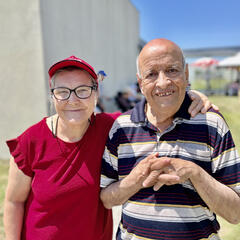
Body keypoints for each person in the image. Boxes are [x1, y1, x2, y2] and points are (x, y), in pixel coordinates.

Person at [4, 55, 216, 240]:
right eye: (63, 91)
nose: (73, 99)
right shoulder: (31, 141)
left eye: (83, 90)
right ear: (52, 96)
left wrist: (189, 95)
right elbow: (14, 202)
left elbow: (154, 108)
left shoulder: (111, 128)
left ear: (96, 94)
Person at [100, 39, 240, 240]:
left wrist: (195, 173)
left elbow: (235, 213)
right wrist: (135, 180)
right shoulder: (121, 128)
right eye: (151, 74)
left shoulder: (212, 124)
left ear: (186, 74)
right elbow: (105, 199)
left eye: (172, 70)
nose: (163, 82)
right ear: (140, 84)